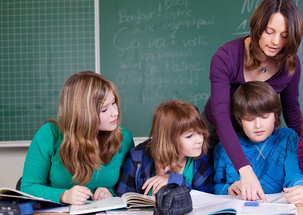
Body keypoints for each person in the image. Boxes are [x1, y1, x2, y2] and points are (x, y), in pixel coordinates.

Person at [202, 0, 303, 202]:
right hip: (215, 132)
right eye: (270, 32)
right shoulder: (225, 57)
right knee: (208, 186)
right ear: (258, 27)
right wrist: (244, 170)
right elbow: (221, 116)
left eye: (285, 35)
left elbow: (292, 112)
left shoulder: (290, 64)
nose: (276, 42)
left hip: (256, 133)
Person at [20, 71, 134, 205]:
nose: (115, 113)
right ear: (83, 114)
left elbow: (128, 190)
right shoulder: (49, 133)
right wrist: (63, 195)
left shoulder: (124, 138)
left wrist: (110, 192)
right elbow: (28, 187)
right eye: (104, 110)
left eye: (114, 103)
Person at [213, 81, 303, 206]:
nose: (258, 125)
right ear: (240, 120)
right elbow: (216, 186)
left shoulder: (288, 138)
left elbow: (295, 173)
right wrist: (228, 189)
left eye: (264, 117)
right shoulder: (225, 148)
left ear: (276, 116)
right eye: (249, 119)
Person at [116, 100, 213, 196]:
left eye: (200, 132)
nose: (199, 140)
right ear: (169, 138)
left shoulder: (202, 159)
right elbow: (123, 199)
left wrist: (175, 180)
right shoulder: (137, 158)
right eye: (189, 136)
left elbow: (204, 203)